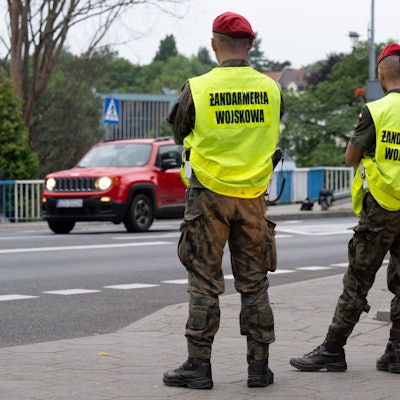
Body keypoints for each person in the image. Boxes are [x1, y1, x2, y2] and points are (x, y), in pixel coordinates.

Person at [162, 11, 284, 389]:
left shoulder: (197, 88)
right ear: (251, 44)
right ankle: (258, 368)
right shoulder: (271, 88)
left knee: (204, 280)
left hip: (208, 197)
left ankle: (198, 366)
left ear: (213, 44)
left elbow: (180, 132)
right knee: (255, 283)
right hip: (253, 197)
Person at [290, 43, 400, 374]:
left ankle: (333, 349)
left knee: (358, 279)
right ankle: (396, 351)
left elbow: (350, 158)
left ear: (381, 74)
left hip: (381, 208)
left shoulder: (375, 111)